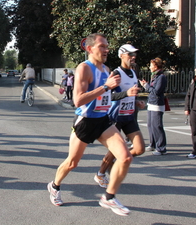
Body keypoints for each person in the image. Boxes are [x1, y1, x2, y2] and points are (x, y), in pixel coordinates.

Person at [47, 33, 133, 216]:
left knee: (125, 156)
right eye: (102, 46)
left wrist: (130, 98)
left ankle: (109, 197)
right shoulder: (84, 68)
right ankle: (54, 186)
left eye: (107, 46)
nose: (106, 49)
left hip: (103, 120)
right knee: (72, 163)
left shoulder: (106, 69)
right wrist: (105, 87)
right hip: (85, 121)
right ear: (89, 48)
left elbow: (108, 95)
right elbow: (78, 100)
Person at [94, 44, 144, 189]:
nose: (133, 57)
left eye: (134, 54)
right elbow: (108, 95)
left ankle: (116, 162)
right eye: (130, 54)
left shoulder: (134, 73)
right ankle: (100, 173)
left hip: (129, 116)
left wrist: (137, 101)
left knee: (139, 149)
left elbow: (132, 92)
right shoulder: (116, 73)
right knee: (115, 148)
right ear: (121, 55)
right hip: (115, 117)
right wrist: (126, 94)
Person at [140, 58, 168, 155]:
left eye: (151, 65)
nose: (150, 67)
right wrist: (145, 85)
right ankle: (152, 144)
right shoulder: (154, 76)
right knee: (150, 125)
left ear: (156, 66)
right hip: (151, 103)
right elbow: (151, 89)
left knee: (157, 126)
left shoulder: (161, 77)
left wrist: (146, 85)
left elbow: (156, 91)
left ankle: (161, 147)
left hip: (157, 104)